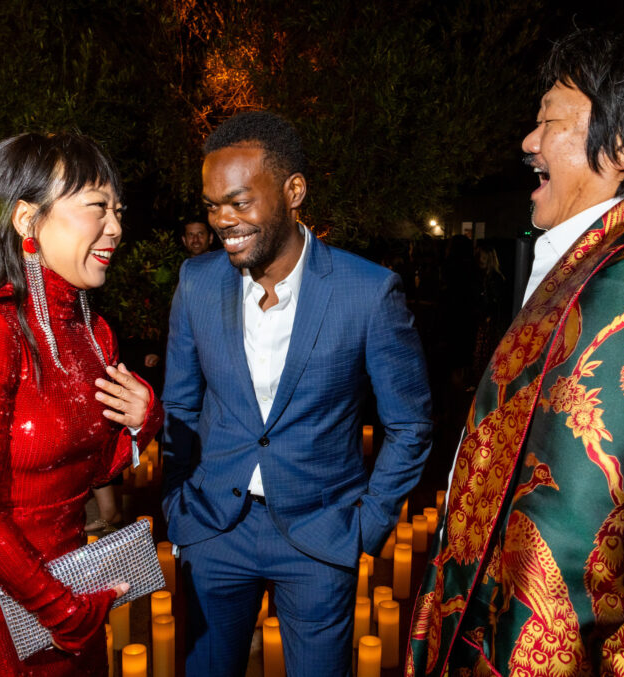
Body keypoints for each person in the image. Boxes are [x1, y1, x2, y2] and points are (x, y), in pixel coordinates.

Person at [408, 26, 624, 676]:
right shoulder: (622, 254)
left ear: (621, 147)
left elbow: (575, 554)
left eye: (549, 121)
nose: (528, 142)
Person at [162, 110, 433, 675]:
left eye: (240, 202)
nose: (223, 221)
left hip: (320, 536)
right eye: (213, 206)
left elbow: (409, 426)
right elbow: (180, 405)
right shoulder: (196, 282)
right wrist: (176, 505)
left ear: (293, 191)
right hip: (212, 534)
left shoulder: (368, 291)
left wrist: (368, 524)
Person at [0, 132, 163, 675]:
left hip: (73, 590)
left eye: (118, 210)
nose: (116, 228)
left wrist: (145, 421)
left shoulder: (94, 332)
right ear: (27, 220)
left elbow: (94, 470)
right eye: (98, 207)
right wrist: (62, 610)